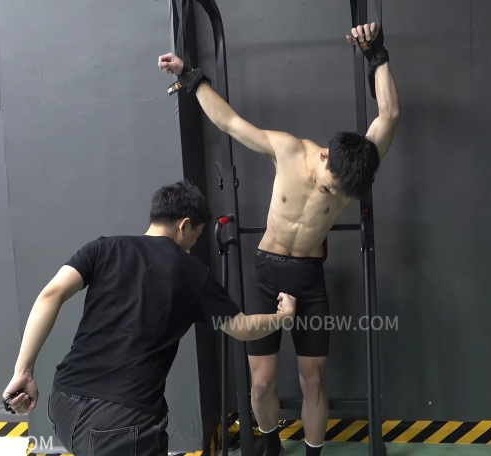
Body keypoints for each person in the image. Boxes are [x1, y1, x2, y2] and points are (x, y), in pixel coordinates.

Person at [158, 22, 400, 456]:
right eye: (329, 184)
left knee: (314, 380)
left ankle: (313, 453)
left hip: (310, 277)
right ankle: (270, 446)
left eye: (340, 192)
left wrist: (376, 54)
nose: (332, 193)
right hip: (266, 273)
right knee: (261, 381)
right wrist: (189, 76)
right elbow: (230, 122)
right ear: (323, 155)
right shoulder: (288, 150)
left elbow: (390, 115)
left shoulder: (357, 165)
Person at [1, 180, 297, 456]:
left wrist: (23, 371)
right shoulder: (193, 274)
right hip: (120, 421)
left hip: (63, 405)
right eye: (197, 233)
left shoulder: (103, 248)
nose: (194, 242)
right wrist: (282, 317)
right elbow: (243, 328)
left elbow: (50, 295)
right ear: (184, 225)